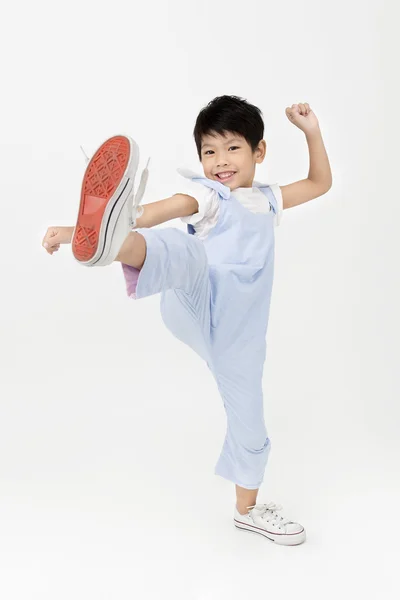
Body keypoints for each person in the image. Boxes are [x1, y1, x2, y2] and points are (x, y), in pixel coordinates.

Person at [42, 95, 332, 546]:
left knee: (250, 421)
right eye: (209, 151)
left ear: (259, 152)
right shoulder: (206, 194)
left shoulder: (267, 199)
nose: (219, 161)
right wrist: (99, 224)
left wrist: (311, 130)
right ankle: (109, 240)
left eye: (232, 148)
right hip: (196, 301)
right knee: (185, 250)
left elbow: (319, 183)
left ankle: (248, 511)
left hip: (239, 333)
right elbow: (163, 210)